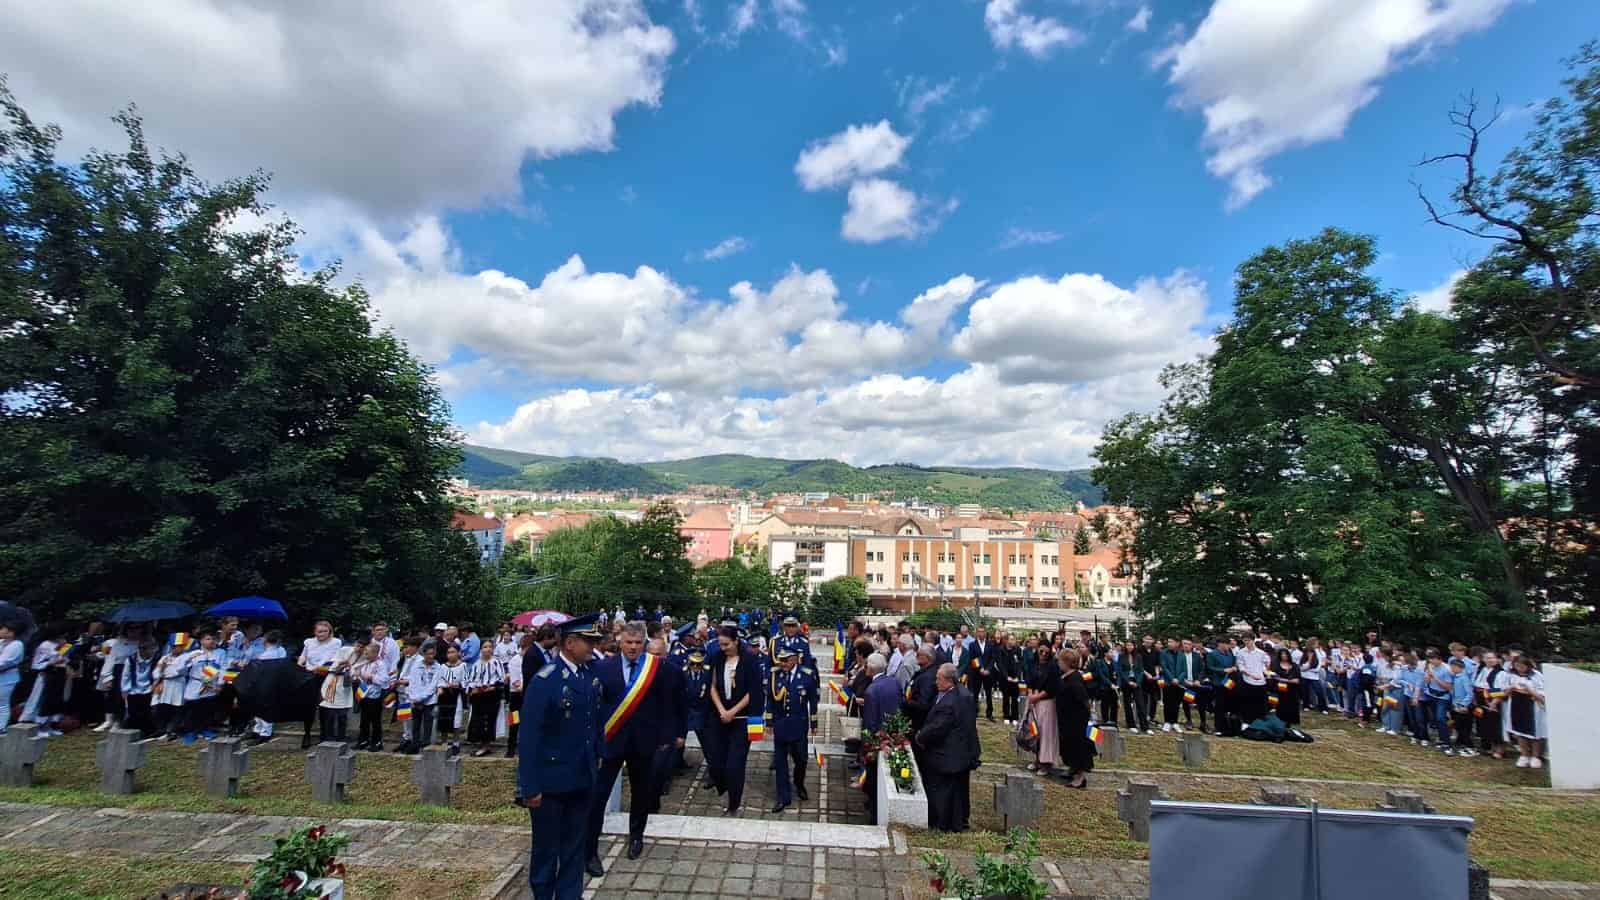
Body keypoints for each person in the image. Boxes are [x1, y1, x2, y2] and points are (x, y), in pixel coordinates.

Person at [516, 614, 602, 900]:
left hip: (581, 778)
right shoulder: (546, 680)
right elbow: (529, 738)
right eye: (588, 641)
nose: (593, 647)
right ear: (569, 642)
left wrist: (598, 758)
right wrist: (529, 786)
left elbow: (593, 724)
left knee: (574, 849)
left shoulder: (588, 675)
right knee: (546, 851)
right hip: (550, 783)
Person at [585, 621, 681, 870]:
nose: (633, 647)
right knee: (598, 796)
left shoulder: (657, 668)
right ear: (620, 641)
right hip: (610, 742)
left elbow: (670, 702)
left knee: (641, 794)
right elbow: (594, 708)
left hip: (644, 743)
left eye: (638, 643)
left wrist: (667, 736)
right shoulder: (603, 668)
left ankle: (636, 837)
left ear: (644, 643)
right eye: (629, 642)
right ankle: (589, 850)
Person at [704, 624, 763, 815]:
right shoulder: (716, 658)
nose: (723, 648)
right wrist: (722, 709)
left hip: (742, 718)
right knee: (715, 760)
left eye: (726, 644)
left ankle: (733, 803)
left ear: (736, 641)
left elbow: (752, 692)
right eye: (720, 644)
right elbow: (711, 685)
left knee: (735, 764)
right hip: (719, 715)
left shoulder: (750, 661)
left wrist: (733, 711)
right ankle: (722, 786)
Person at [915, 663, 980, 832]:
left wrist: (920, 737)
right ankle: (958, 821)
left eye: (939, 679)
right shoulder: (963, 693)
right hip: (962, 751)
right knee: (958, 791)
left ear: (949, 681)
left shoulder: (948, 703)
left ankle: (941, 822)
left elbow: (938, 727)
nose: (935, 682)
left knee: (942, 790)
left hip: (947, 753)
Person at [768, 646, 818, 812]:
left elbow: (813, 701)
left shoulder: (807, 675)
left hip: (799, 724)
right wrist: (769, 722)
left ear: (795, 659)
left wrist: (814, 724)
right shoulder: (775, 675)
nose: (783, 663)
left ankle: (799, 783)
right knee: (780, 763)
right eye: (781, 660)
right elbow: (770, 699)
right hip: (781, 724)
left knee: (801, 759)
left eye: (786, 660)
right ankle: (783, 797)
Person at [1052, 648, 1093, 789]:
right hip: (1065, 718)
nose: (1058, 663)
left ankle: (1079, 777)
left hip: (1075, 721)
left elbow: (1083, 701)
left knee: (1076, 747)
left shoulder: (1075, 679)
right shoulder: (1065, 676)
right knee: (1067, 746)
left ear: (1067, 662)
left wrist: (1082, 720)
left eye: (1060, 660)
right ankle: (1072, 769)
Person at [317, 632, 361, 746]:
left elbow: (357, 675)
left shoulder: (364, 656)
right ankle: (329, 736)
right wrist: (341, 665)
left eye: (362, 647)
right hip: (333, 681)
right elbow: (331, 665)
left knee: (343, 713)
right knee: (330, 711)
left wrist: (351, 669)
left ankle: (341, 736)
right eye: (358, 645)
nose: (359, 648)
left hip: (346, 685)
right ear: (355, 644)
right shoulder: (345, 650)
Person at [1503, 655, 1546, 768]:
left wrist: (1530, 691)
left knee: (1535, 733)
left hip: (1532, 706)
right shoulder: (1510, 675)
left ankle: (1535, 756)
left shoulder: (1536, 675)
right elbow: (1504, 691)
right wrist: (1511, 688)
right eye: (1517, 666)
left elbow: (1542, 694)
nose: (1519, 668)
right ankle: (1524, 755)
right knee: (1519, 732)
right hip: (1516, 705)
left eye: (1522, 666)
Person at [465, 641, 506, 757]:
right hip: (478, 696)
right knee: (478, 720)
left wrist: (490, 687)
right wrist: (473, 688)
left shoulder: (496, 662)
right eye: (485, 647)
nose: (487, 649)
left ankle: (486, 745)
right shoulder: (477, 664)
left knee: (488, 720)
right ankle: (481, 743)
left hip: (491, 696)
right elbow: (470, 679)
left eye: (490, 647)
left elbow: (501, 679)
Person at [1025, 642, 1061, 775]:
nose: (1043, 655)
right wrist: (1030, 695)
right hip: (1033, 699)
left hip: (1046, 701)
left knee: (1046, 733)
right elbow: (1028, 680)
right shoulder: (1032, 663)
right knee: (1034, 732)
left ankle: (1046, 763)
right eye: (1041, 652)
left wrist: (1037, 697)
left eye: (1046, 652)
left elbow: (1052, 687)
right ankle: (1037, 759)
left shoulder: (1053, 666)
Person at [401, 641, 443, 753]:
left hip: (429, 700)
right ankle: (415, 744)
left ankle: (426, 745)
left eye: (433, 654)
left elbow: (433, 685)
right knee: (415, 723)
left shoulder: (437, 667)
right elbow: (413, 683)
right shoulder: (417, 666)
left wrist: (422, 698)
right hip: (415, 699)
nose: (430, 656)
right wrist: (415, 698)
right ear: (424, 654)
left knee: (428, 723)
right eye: (428, 654)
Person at [353, 640, 393, 752]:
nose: (365, 655)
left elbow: (384, 680)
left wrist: (371, 677)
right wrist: (358, 675)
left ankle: (377, 741)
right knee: (364, 720)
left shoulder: (380, 665)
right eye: (365, 653)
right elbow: (359, 674)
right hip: (364, 694)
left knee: (375, 720)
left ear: (375, 653)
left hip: (375, 696)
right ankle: (363, 740)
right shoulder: (365, 663)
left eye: (367, 653)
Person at [120, 640, 159, 738]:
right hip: (134, 690)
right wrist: (125, 689)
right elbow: (126, 675)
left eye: (152, 650)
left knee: (146, 712)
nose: (150, 652)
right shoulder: (131, 659)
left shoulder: (156, 659)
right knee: (133, 712)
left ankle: (146, 732)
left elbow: (158, 673)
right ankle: (132, 731)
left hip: (148, 689)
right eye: (146, 649)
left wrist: (155, 685)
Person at [1233, 634, 1270, 726]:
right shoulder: (1241, 652)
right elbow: (1241, 667)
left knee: (1260, 703)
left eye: (1248, 640)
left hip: (1261, 681)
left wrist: (1266, 673)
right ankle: (1247, 722)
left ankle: (1261, 722)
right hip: (1247, 680)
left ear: (1253, 640)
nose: (1247, 642)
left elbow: (1265, 665)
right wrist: (1251, 675)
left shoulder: (1261, 653)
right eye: (1245, 640)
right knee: (1247, 703)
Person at [902, 644, 940, 733]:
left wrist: (906, 702)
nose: (916, 656)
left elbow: (923, 704)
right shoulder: (923, 672)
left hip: (919, 722)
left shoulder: (927, 677)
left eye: (919, 655)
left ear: (928, 657)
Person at [1115, 640, 1149, 734]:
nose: (1129, 647)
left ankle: (1144, 726)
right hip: (1126, 682)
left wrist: (1137, 682)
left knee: (1140, 704)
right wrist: (1128, 681)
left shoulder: (1138, 656)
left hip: (1136, 681)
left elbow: (1141, 670)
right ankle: (1131, 724)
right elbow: (1120, 670)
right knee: (1127, 704)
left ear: (1134, 646)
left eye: (1131, 645)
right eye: (1127, 645)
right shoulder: (1121, 656)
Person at [0, 622, 24, 735]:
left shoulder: (17, 645)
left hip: (7, 677)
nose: (1, 631)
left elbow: (4, 662)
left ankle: (1, 727)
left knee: (2, 702)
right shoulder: (1, 642)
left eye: (3, 629)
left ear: (11, 632)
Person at [995, 633, 1023, 726]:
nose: (1012, 641)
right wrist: (1006, 676)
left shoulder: (1018, 650)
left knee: (1015, 698)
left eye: (1014, 639)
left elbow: (1020, 664)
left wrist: (1017, 677)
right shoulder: (1001, 650)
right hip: (1005, 678)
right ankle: (1006, 716)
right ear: (1007, 640)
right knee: (1006, 698)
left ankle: (1015, 717)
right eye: (1011, 639)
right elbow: (1000, 664)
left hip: (1015, 678)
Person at [1268, 648, 1301, 726]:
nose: (1284, 656)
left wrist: (1283, 679)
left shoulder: (1294, 665)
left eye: (1285, 654)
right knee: (1281, 707)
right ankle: (1281, 721)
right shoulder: (1275, 666)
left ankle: (1291, 721)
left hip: (1292, 691)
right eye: (1282, 654)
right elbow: (1273, 677)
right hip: (1280, 690)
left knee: (1292, 706)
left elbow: (1297, 679)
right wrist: (1288, 680)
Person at [970, 628, 996, 721]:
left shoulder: (990, 645)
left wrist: (988, 669)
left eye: (983, 632)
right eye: (979, 631)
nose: (981, 633)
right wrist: (980, 668)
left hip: (988, 673)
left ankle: (989, 713)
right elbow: (973, 659)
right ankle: (974, 712)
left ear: (985, 633)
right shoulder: (972, 645)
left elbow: (993, 659)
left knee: (989, 694)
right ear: (976, 633)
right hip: (976, 673)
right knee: (975, 693)